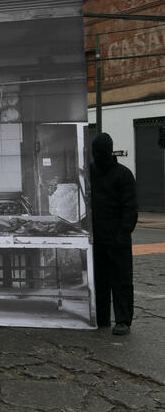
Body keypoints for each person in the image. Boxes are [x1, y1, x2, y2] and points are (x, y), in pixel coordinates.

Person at [90, 133, 138, 335]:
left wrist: (122, 234)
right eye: (95, 153)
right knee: (100, 280)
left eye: (100, 153)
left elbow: (130, 209)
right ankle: (102, 318)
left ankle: (123, 320)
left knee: (121, 281)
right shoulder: (92, 172)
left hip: (117, 238)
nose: (97, 156)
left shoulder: (123, 174)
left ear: (108, 152)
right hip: (98, 238)